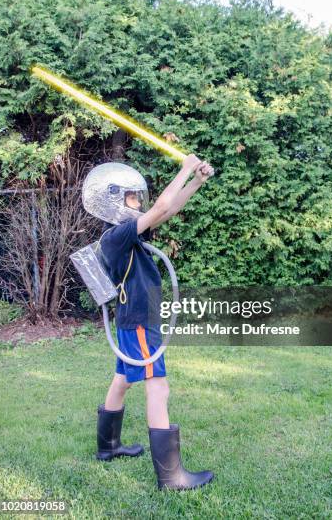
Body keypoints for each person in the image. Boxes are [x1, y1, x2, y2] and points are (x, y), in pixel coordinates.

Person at [81, 155, 214, 490]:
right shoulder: (116, 237)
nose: (139, 202)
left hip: (135, 320)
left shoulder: (128, 234)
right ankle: (171, 477)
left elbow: (167, 210)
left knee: (123, 380)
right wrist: (184, 168)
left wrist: (195, 181)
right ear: (112, 200)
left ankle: (108, 448)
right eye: (132, 197)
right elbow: (161, 207)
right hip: (139, 322)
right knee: (159, 386)